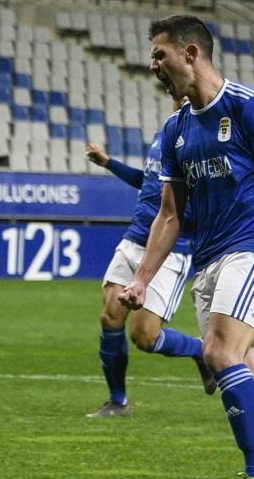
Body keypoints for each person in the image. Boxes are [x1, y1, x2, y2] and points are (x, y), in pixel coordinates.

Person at [118, 15, 254, 479]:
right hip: (207, 259)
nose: (153, 64)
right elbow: (169, 213)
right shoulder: (175, 128)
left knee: (218, 352)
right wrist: (142, 279)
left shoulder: (248, 106)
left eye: (160, 54)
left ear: (191, 53)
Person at [84, 95, 215, 418]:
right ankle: (118, 402)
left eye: (189, 94)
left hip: (169, 250)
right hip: (133, 239)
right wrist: (109, 163)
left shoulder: (205, 144)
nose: (183, 98)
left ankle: (201, 351)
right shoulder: (166, 134)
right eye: (177, 94)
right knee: (109, 317)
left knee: (144, 336)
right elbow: (148, 181)